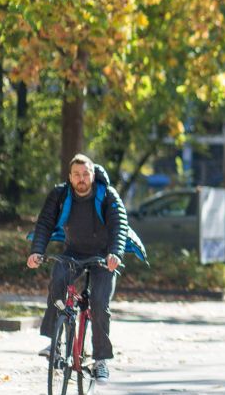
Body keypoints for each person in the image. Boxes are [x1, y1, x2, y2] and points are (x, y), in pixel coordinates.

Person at [27, 154, 145, 383]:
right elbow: (44, 223)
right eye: (76, 174)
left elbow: (119, 226)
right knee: (57, 282)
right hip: (73, 251)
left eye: (85, 174)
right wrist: (36, 251)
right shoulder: (60, 194)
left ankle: (101, 360)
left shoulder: (107, 195)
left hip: (104, 256)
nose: (81, 179)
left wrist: (115, 254)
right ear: (70, 177)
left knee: (99, 302)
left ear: (93, 174)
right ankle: (54, 344)